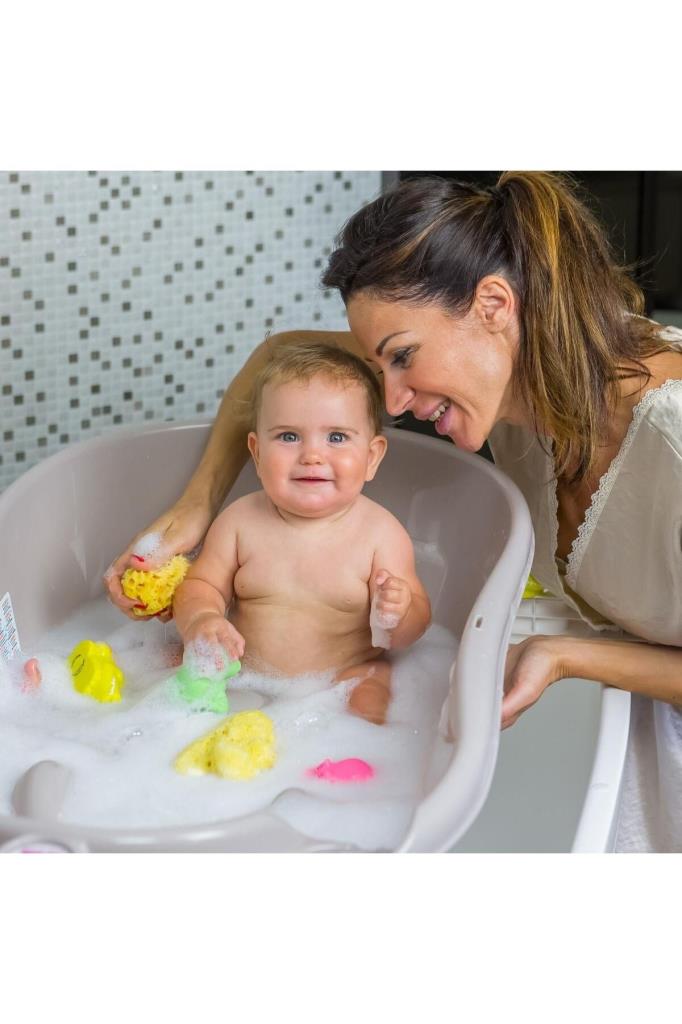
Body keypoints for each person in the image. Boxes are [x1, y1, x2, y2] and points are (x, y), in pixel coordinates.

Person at [106, 171, 682, 851]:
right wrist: (195, 508)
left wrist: (564, 656)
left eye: (404, 357)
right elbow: (281, 358)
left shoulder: (669, 441)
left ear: (494, 306)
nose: (395, 401)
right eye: (382, 368)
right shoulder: (539, 369)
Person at [170, 341, 431, 725]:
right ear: (257, 453)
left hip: (347, 674)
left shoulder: (381, 535)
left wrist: (400, 612)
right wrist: (202, 620)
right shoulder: (238, 523)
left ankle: (359, 745)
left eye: (337, 437)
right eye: (289, 436)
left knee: (368, 699)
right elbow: (200, 586)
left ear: (372, 456)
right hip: (241, 672)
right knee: (174, 677)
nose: (312, 455)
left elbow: (414, 627)